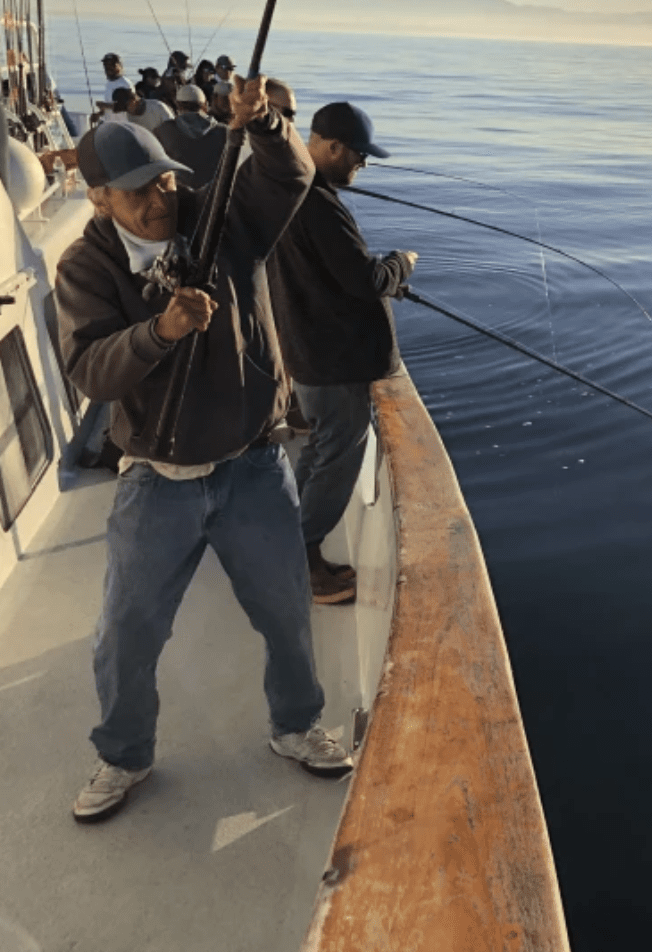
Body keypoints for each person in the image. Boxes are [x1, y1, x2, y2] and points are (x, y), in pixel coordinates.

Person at [55, 77, 352, 825]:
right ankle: (124, 755)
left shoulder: (220, 217)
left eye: (163, 179)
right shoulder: (85, 268)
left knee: (286, 613)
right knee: (126, 632)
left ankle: (295, 726)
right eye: (135, 191)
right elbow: (90, 367)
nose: (158, 198)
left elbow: (289, 174)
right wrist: (160, 332)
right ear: (97, 198)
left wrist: (267, 123)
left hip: (251, 463)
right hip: (156, 477)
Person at [267, 102, 415, 604]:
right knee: (338, 453)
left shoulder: (293, 191)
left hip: (309, 354)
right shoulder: (319, 203)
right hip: (331, 361)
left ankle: (286, 543)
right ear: (331, 147)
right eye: (358, 155)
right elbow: (365, 279)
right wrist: (400, 263)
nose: (362, 165)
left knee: (321, 449)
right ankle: (304, 565)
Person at [153, 84, 227, 189]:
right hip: (214, 194)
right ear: (205, 105)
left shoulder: (162, 130)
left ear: (178, 105)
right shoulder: (224, 131)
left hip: (178, 195)